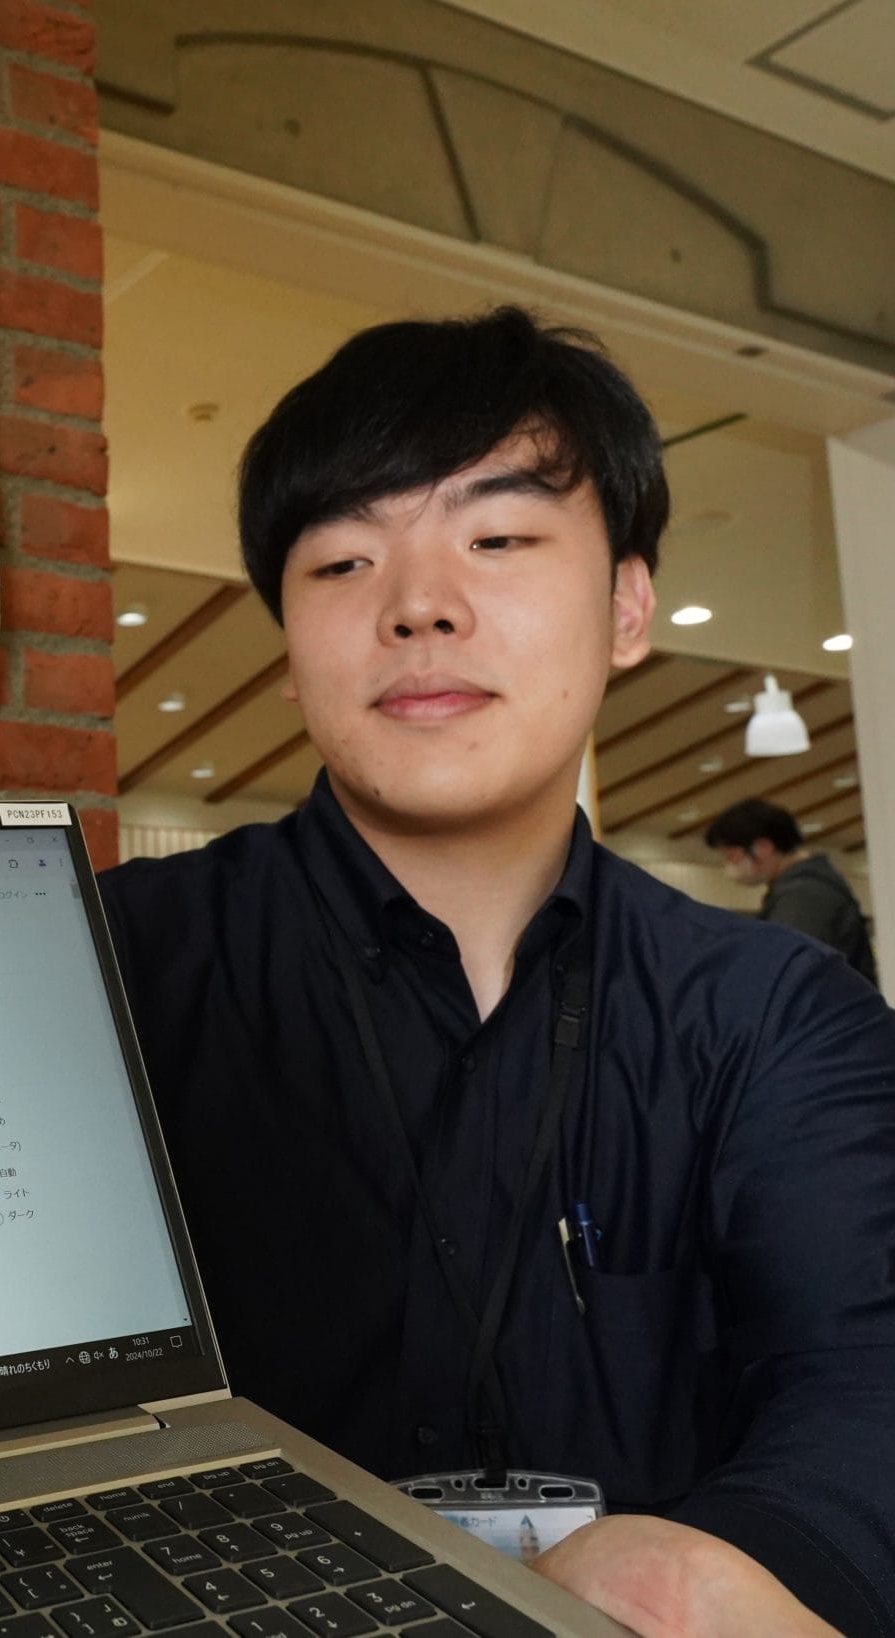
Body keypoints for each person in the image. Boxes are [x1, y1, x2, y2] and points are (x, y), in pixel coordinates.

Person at [99, 308, 895, 1637]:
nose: (418, 603)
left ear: (627, 606)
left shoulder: (775, 1014)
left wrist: (707, 1576)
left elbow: (862, 1365)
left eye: (499, 539)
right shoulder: (115, 970)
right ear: (289, 641)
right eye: (343, 560)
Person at [705, 797, 878, 986]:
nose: (728, 865)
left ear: (763, 847)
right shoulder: (806, 887)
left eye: (731, 856)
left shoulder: (802, 897)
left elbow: (788, 971)